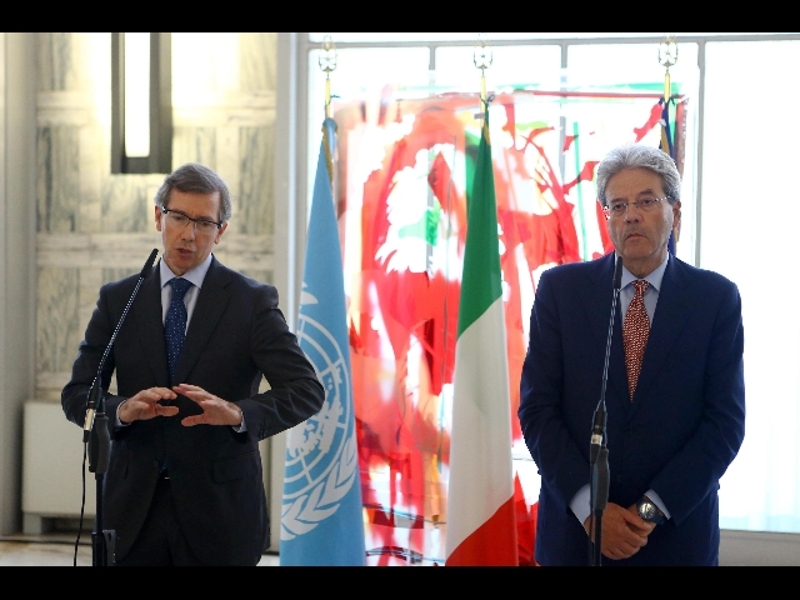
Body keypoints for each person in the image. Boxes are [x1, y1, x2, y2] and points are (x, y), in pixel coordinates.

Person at [62, 163, 325, 566]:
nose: (189, 234)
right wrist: (122, 409)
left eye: (204, 223)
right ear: (158, 217)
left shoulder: (250, 302)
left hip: (220, 513)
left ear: (221, 231)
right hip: (133, 513)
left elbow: (307, 390)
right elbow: (77, 393)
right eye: (179, 217)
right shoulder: (119, 299)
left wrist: (238, 413)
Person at [518, 144, 745, 566]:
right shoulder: (561, 292)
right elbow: (537, 410)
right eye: (618, 205)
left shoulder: (714, 298)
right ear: (606, 217)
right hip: (576, 537)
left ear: (675, 211)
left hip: (674, 537)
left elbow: (724, 423)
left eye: (646, 201)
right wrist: (591, 509)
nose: (631, 216)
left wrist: (647, 512)